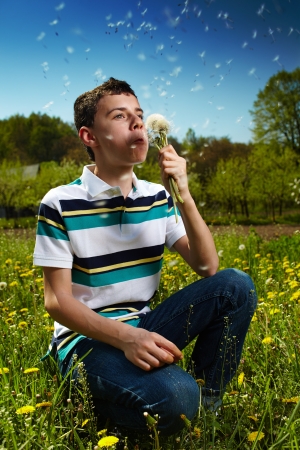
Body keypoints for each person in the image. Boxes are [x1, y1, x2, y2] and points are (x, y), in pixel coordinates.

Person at [33, 77, 257, 436]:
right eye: (120, 117)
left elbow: (207, 266)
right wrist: (126, 339)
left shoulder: (157, 197)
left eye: (139, 115)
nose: (138, 122)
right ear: (89, 136)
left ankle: (207, 403)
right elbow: (57, 302)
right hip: (87, 341)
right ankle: (92, 393)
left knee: (235, 286)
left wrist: (183, 193)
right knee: (178, 399)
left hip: (145, 325)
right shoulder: (59, 203)